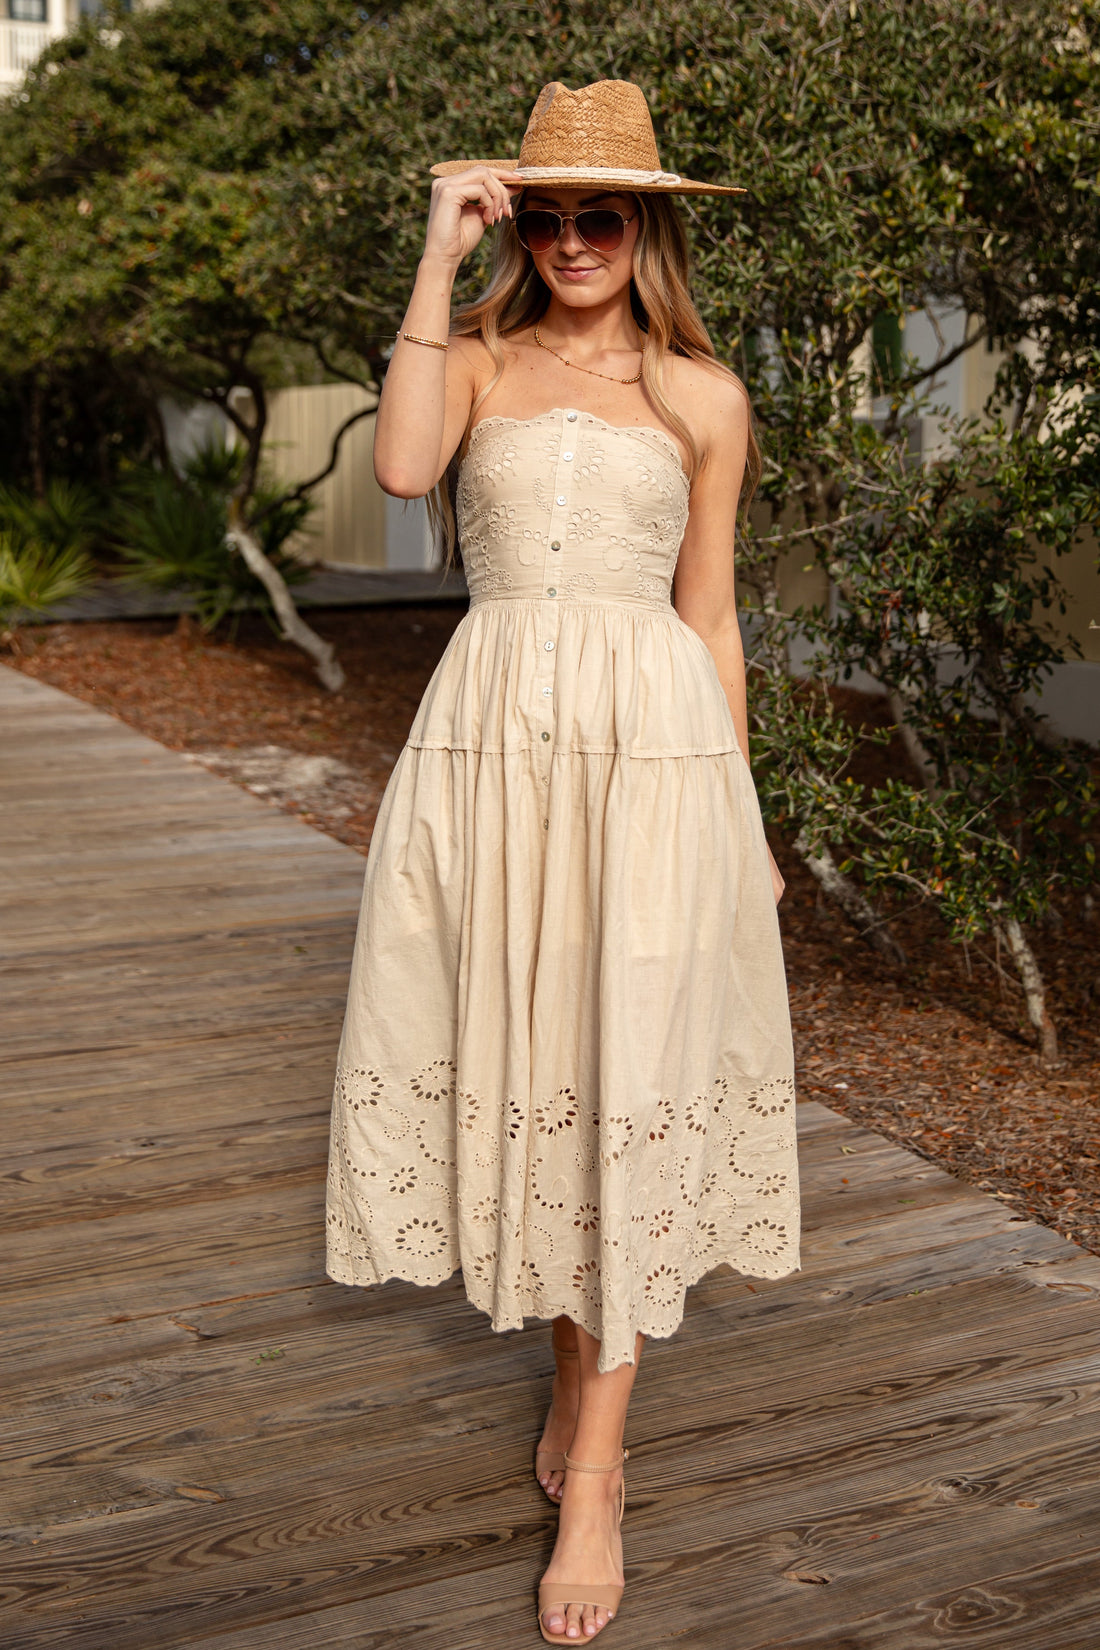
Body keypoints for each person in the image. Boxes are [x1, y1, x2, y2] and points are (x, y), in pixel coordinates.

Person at [325, 78, 800, 1644]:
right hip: (500, 755)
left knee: (635, 1081)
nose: (580, 239)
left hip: (657, 768)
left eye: (606, 215)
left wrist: (748, 820)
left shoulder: (704, 396)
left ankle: (597, 1470)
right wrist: (436, 249)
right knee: (546, 1066)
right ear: (518, 224)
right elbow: (402, 478)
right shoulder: (472, 361)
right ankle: (573, 1392)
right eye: (550, 214)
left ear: (647, 225)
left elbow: (712, 617)